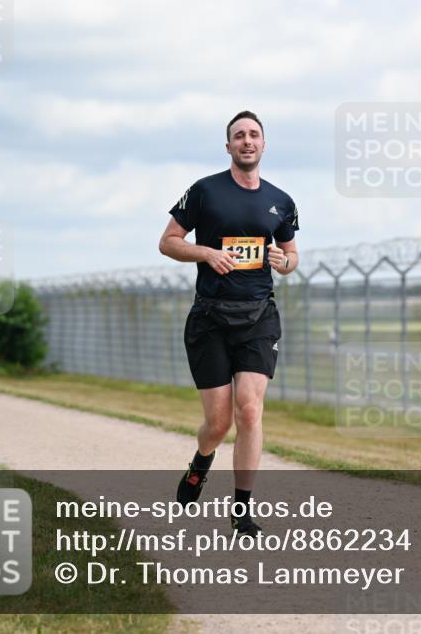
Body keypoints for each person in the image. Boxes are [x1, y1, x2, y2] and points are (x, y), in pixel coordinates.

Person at [159, 110, 299, 536]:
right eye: (239, 136)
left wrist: (284, 261)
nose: (247, 141)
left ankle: (242, 509)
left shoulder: (281, 200)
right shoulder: (205, 191)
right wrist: (206, 254)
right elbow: (168, 242)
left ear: (263, 144)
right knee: (218, 423)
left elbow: (292, 257)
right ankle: (202, 461)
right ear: (229, 147)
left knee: (250, 410)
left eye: (254, 135)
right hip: (210, 318)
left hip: (259, 316)